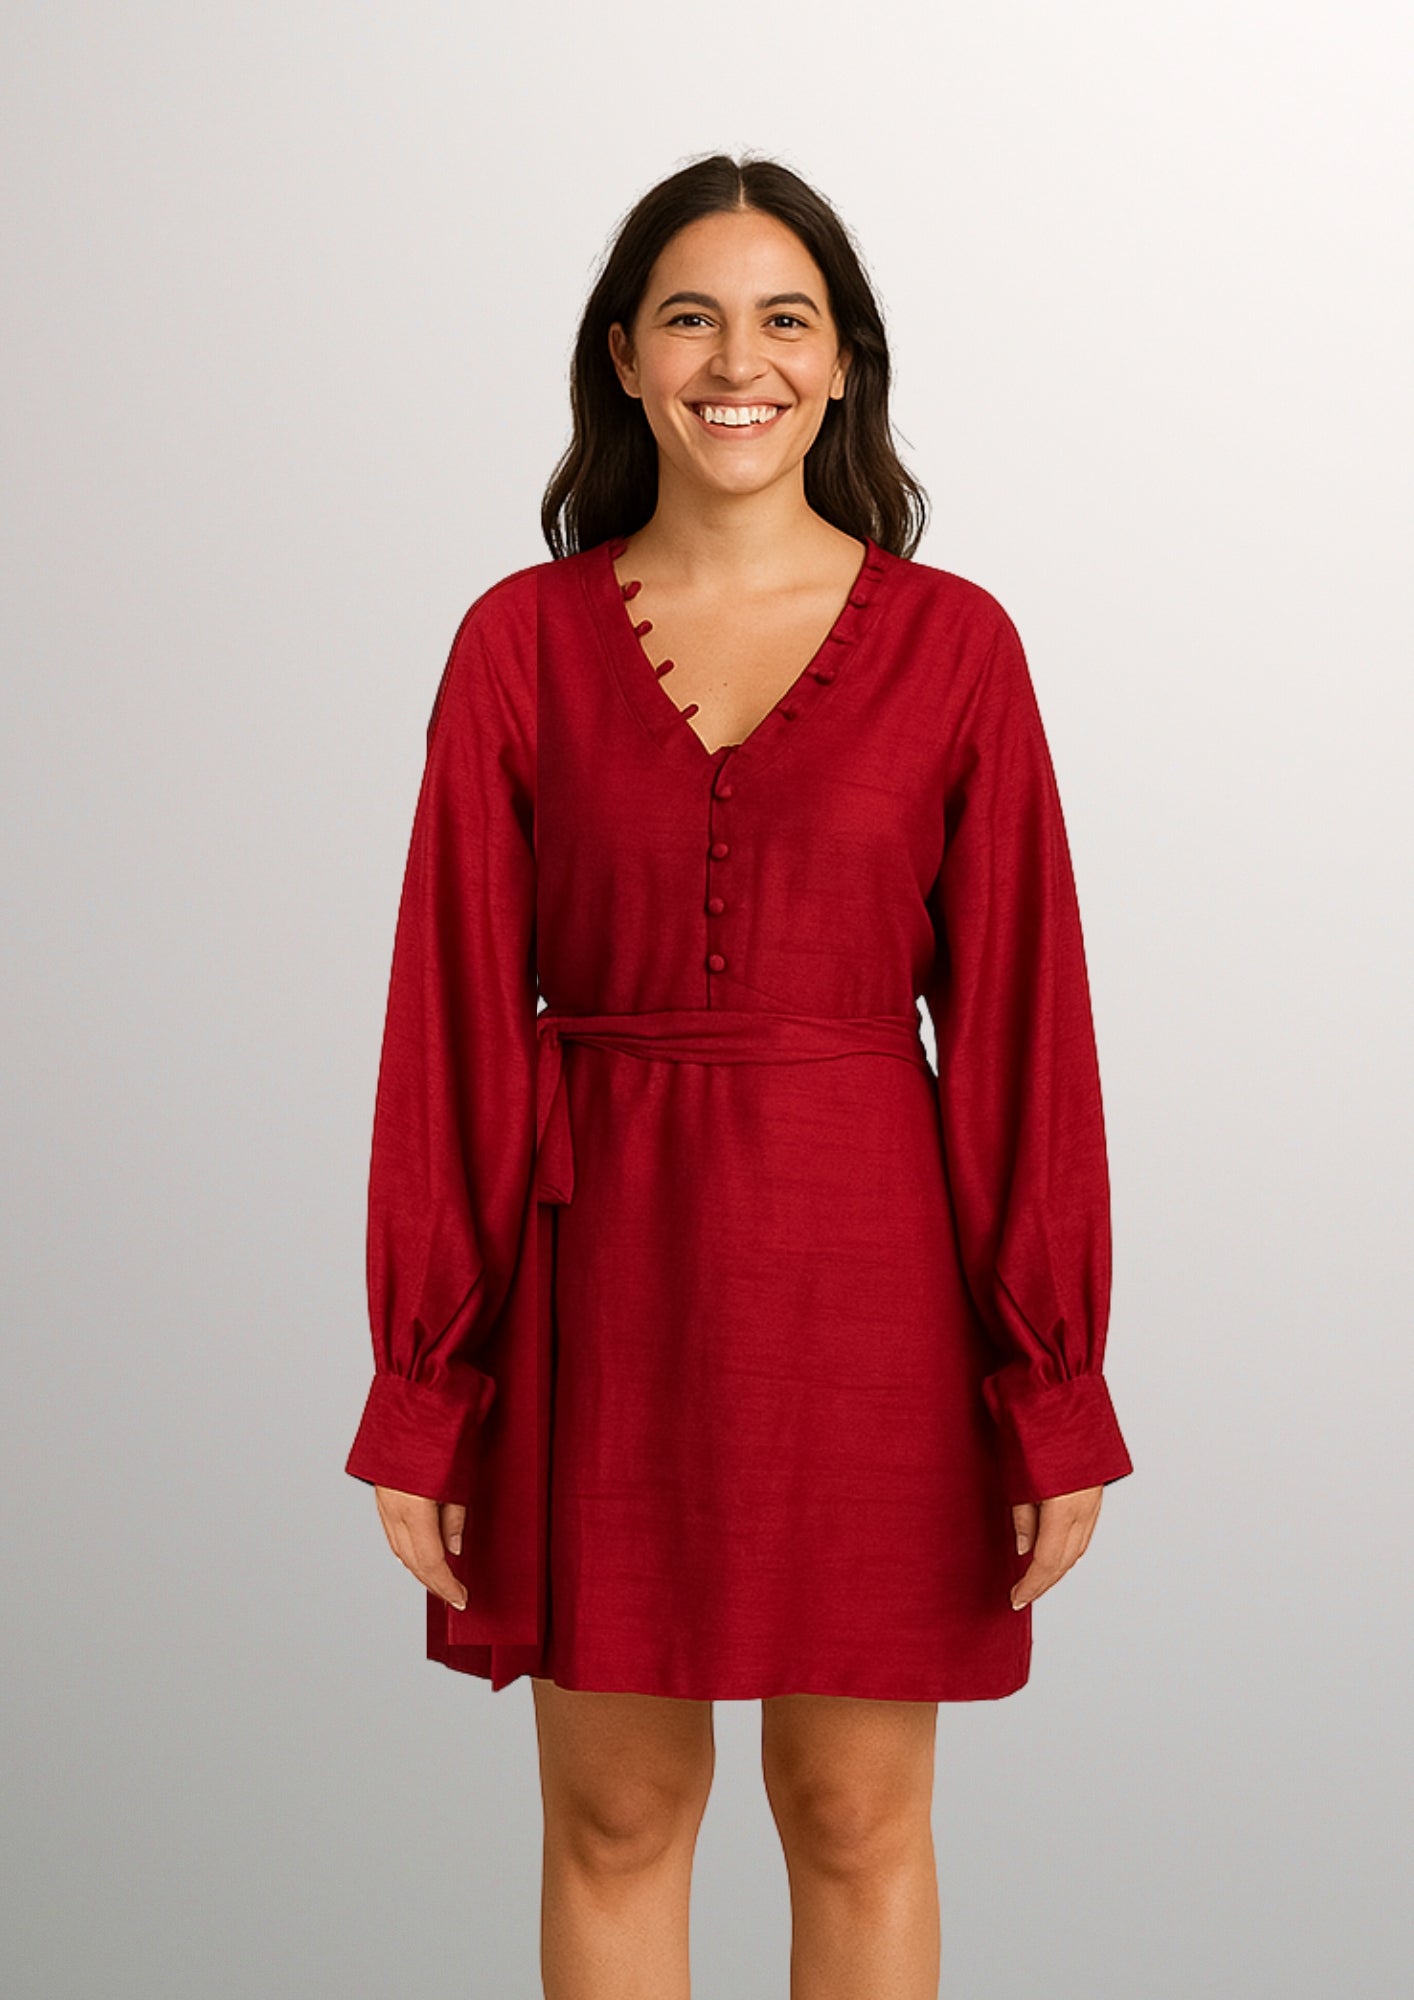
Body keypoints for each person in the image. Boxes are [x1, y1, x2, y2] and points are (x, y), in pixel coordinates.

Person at [344, 151, 1135, 1999]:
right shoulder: (516, 648)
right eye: (689, 315)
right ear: (621, 356)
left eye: (785, 319)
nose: (737, 359)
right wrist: (421, 1381)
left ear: (843, 363)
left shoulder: (957, 650)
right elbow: (448, 1023)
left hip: (870, 1297)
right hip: (598, 1288)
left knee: (855, 1816)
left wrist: (1054, 1382)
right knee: (615, 1818)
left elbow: (1027, 1029)